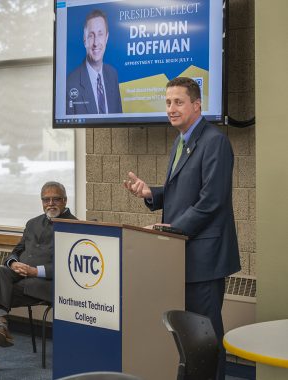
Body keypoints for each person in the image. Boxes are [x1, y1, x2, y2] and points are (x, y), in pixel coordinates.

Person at [122, 77, 240, 380]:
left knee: (206, 337)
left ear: (196, 105)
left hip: (206, 258)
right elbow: (184, 192)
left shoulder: (215, 142)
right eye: (167, 102)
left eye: (178, 102)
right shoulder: (181, 140)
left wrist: (169, 229)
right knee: (188, 337)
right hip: (183, 255)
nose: (171, 109)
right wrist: (152, 194)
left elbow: (210, 202)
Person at [0, 181, 76, 373]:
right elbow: (16, 251)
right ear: (41, 202)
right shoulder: (32, 223)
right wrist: (13, 263)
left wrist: (34, 271)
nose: (51, 203)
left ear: (64, 200)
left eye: (56, 199)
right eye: (46, 199)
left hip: (47, 284)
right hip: (19, 276)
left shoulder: (74, 226)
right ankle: (2, 324)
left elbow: (69, 267)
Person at [66, 9, 122, 115]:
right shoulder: (70, 83)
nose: (96, 43)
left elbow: (119, 117)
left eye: (100, 34)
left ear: (107, 38)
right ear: (84, 40)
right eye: (91, 36)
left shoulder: (112, 74)